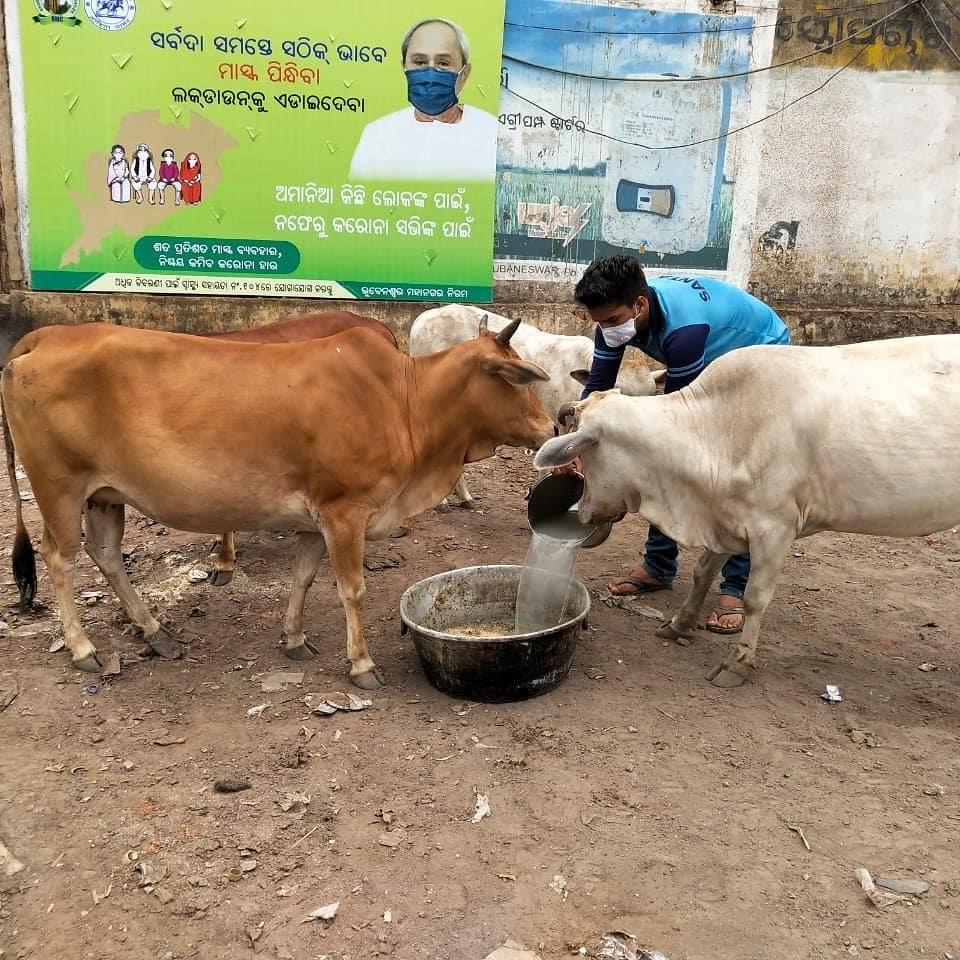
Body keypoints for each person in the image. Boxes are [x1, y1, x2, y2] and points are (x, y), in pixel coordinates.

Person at [565, 255, 790, 635]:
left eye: (613, 321)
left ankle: (735, 587)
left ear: (639, 305)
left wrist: (622, 483)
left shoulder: (684, 331)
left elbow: (681, 424)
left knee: (733, 474)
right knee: (664, 466)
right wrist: (574, 445)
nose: (606, 330)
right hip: (710, 355)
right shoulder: (617, 317)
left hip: (763, 355)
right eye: (599, 322)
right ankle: (658, 567)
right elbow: (596, 390)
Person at [348, 17, 498, 181]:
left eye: (443, 63)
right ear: (404, 68)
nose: (430, 74)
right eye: (419, 62)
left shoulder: (492, 134)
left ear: (464, 74)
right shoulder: (378, 136)